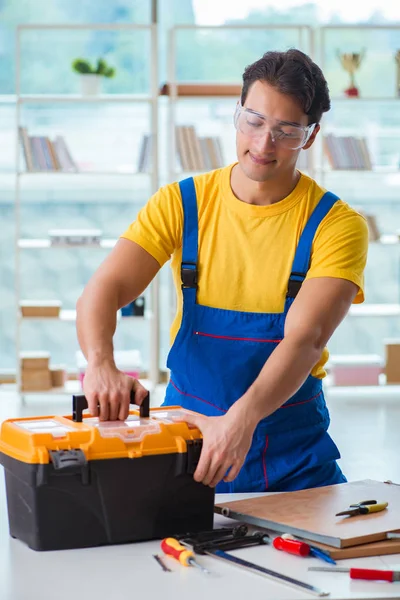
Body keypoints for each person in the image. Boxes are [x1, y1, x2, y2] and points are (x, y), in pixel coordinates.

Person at [76, 48, 368, 494]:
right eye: (254, 121)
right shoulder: (183, 203)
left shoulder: (337, 225)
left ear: (309, 137)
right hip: (187, 443)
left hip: (292, 458)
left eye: (286, 131)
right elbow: (105, 287)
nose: (263, 143)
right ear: (237, 114)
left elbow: (305, 339)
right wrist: (100, 363)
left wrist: (242, 419)